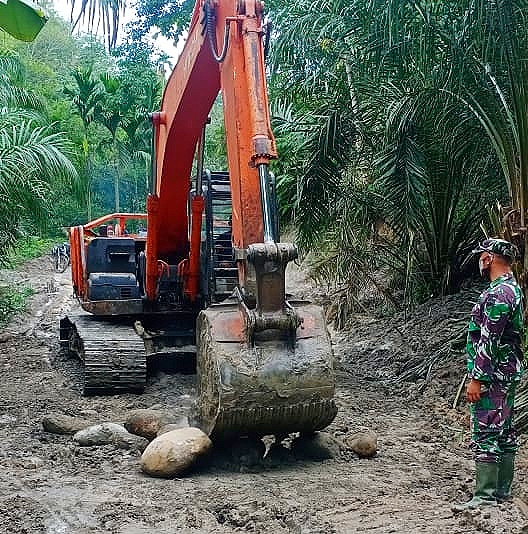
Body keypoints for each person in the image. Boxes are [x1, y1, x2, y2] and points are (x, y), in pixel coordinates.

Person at [454, 238, 524, 511]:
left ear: (490, 258)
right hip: (506, 372)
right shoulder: (512, 288)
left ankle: (484, 496)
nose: (479, 261)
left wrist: (477, 379)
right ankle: (502, 492)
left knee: (486, 433)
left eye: (482, 256)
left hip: (493, 375)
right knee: (504, 431)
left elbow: (489, 339)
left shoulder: (499, 293)